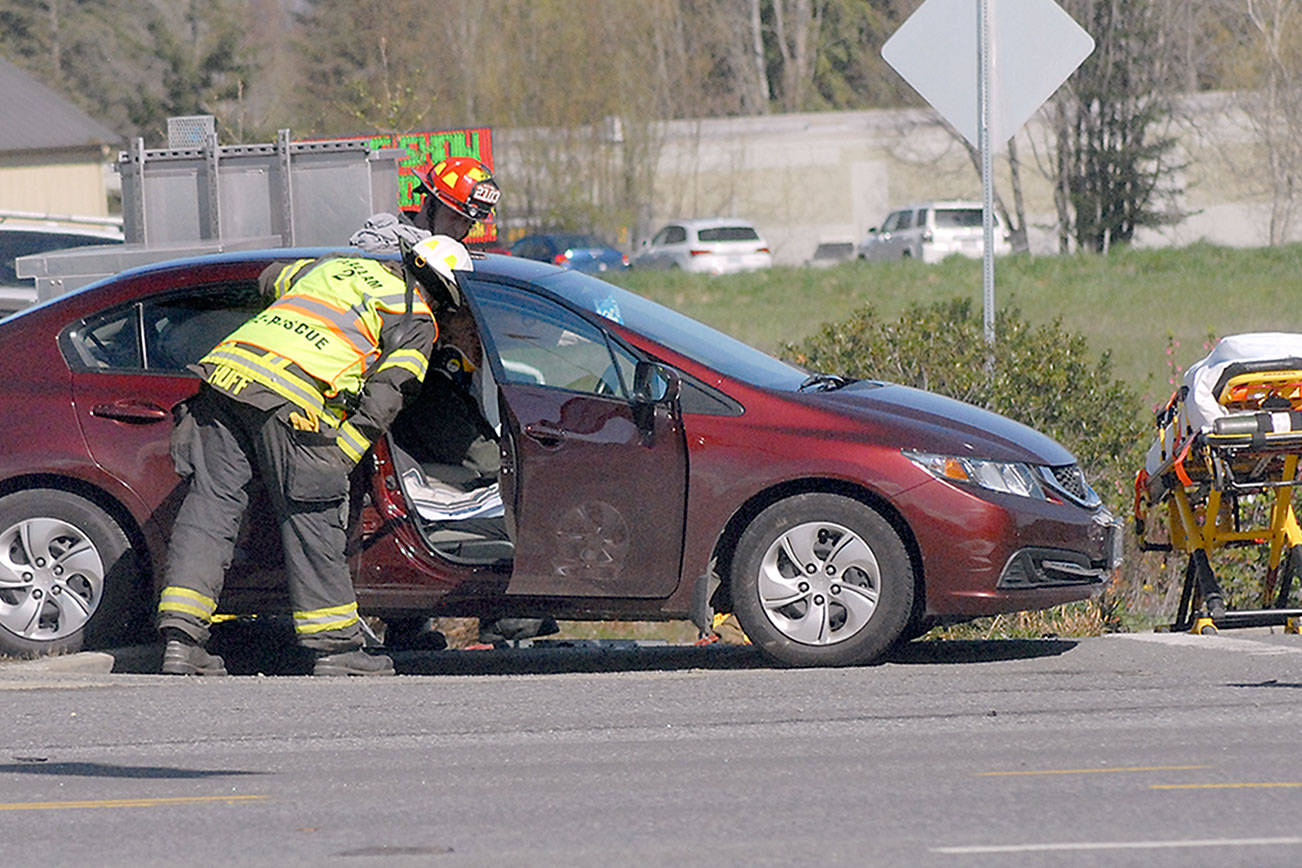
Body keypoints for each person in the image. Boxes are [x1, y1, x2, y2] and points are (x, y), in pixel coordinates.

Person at [156, 234, 473, 676]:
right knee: (314, 521)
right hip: (295, 400)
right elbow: (388, 395)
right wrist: (340, 456)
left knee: (210, 509)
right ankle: (336, 648)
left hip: (225, 380)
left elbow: (269, 279)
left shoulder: (336, 267)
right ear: (444, 293)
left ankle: (181, 642)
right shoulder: (417, 319)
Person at [350, 155, 499, 253]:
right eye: (453, 216)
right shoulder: (386, 247)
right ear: (429, 204)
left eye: (467, 222)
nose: (458, 229)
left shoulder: (459, 259)